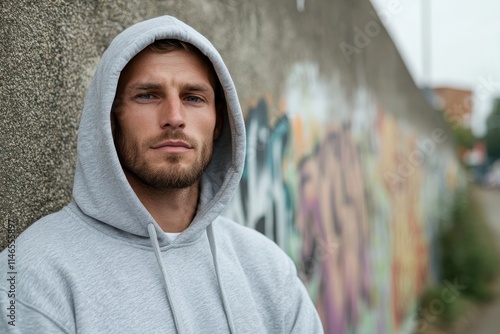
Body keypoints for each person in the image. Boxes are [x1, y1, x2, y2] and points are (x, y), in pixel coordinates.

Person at [0, 15, 323, 333]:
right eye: (147, 95)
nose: (174, 117)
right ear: (110, 120)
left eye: (193, 97)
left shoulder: (267, 268)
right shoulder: (32, 274)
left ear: (219, 122)